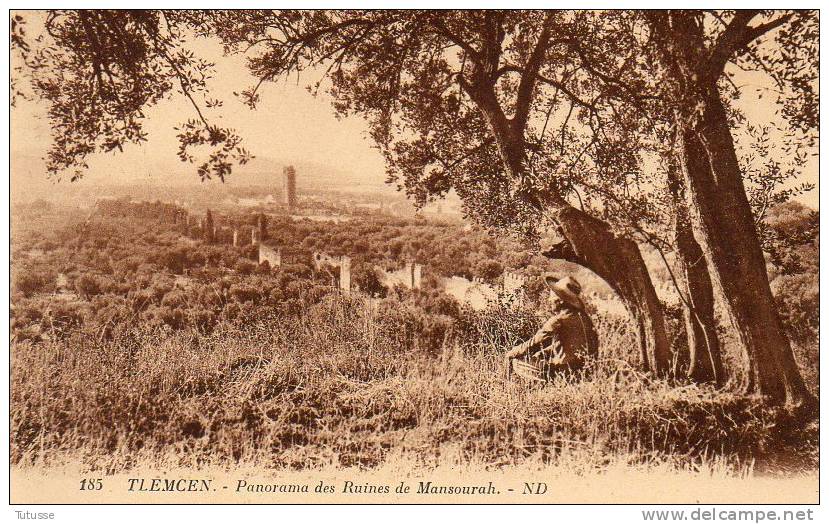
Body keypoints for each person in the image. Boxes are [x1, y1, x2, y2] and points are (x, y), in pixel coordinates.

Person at [505, 273, 599, 382]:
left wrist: (511, 353)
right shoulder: (584, 318)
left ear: (560, 301)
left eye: (552, 298)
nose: (550, 301)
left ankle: (507, 387)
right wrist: (545, 352)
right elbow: (570, 345)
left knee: (516, 360)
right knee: (540, 356)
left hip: (564, 374)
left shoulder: (558, 320)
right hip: (586, 372)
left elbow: (533, 343)